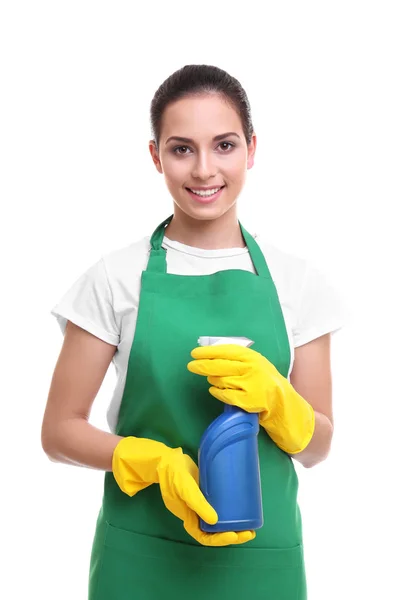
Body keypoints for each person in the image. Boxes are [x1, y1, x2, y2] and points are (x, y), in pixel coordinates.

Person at [42, 64, 346, 599]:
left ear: (251, 149)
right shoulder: (115, 277)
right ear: (156, 155)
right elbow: (59, 431)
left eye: (224, 145)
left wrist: (282, 403)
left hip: (261, 564)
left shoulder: (298, 282)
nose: (205, 169)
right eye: (182, 149)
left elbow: (318, 447)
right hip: (140, 558)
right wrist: (149, 462)